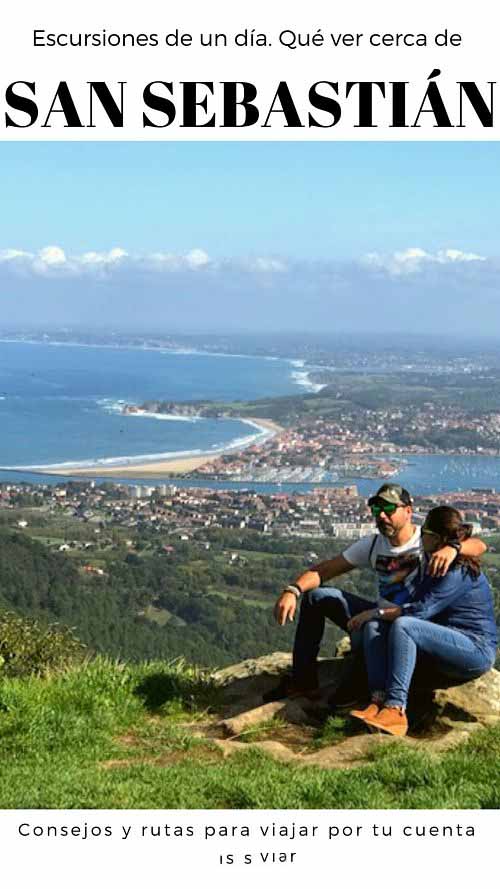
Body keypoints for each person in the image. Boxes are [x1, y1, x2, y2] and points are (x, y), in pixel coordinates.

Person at [268, 484, 488, 702]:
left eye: (389, 509)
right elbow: (326, 569)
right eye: (376, 510)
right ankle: (303, 683)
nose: (381, 516)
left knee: (380, 629)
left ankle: (374, 691)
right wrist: (293, 590)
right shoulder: (373, 545)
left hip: (408, 622)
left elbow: (478, 545)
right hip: (380, 614)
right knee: (316, 597)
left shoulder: (427, 540)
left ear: (408, 511)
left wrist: (453, 548)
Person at [349, 505, 497, 736]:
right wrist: (375, 618)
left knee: (403, 625)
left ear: (436, 539)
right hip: (442, 640)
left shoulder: (457, 572)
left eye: (425, 532)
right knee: (375, 626)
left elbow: (418, 612)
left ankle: (396, 709)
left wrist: (375, 612)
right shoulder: (431, 561)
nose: (420, 535)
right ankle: (377, 700)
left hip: (474, 649)